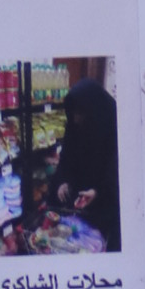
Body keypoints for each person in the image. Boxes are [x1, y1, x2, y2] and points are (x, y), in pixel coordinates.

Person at [49, 76, 122, 249]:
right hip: (78, 197)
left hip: (105, 200)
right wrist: (63, 181)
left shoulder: (114, 126)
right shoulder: (74, 126)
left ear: (93, 111)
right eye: (73, 113)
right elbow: (66, 158)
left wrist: (97, 192)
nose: (75, 119)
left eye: (80, 113)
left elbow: (116, 172)